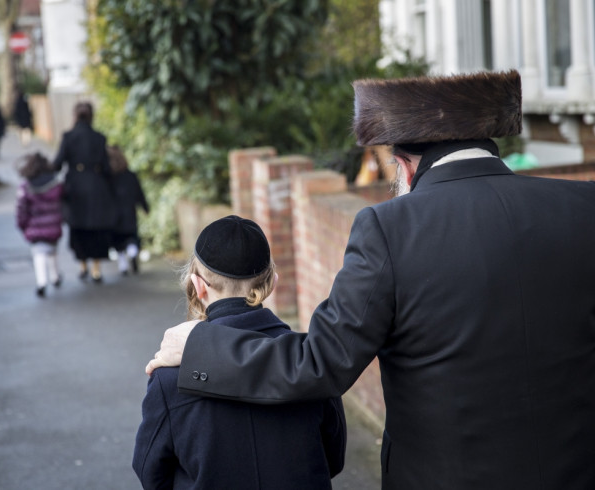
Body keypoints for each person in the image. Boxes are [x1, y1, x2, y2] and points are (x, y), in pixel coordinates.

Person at [146, 70, 595, 490]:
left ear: (405, 165)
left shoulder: (389, 229)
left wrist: (200, 346)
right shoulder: (582, 207)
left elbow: (319, 363)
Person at [133, 215, 346, 489]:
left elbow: (151, 473)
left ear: (198, 286)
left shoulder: (169, 376)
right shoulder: (307, 360)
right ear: (272, 282)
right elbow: (333, 459)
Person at [53, 102, 117, 283]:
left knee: (78, 227)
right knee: (97, 228)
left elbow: (57, 163)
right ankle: (96, 268)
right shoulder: (99, 137)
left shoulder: (68, 136)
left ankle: (82, 266)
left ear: (75, 116)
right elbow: (106, 167)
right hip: (97, 186)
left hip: (75, 188)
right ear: (91, 116)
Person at [15, 152, 64, 298]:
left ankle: (41, 281)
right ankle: (55, 276)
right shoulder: (56, 184)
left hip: (35, 227)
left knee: (38, 253)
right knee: (52, 250)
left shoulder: (25, 187)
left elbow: (21, 209)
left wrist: (22, 225)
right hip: (53, 225)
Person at [108, 145, 149, 276]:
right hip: (129, 212)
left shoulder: (108, 178)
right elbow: (139, 193)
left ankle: (123, 265)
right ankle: (132, 251)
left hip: (113, 214)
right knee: (131, 237)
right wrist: (145, 207)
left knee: (118, 241)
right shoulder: (131, 175)